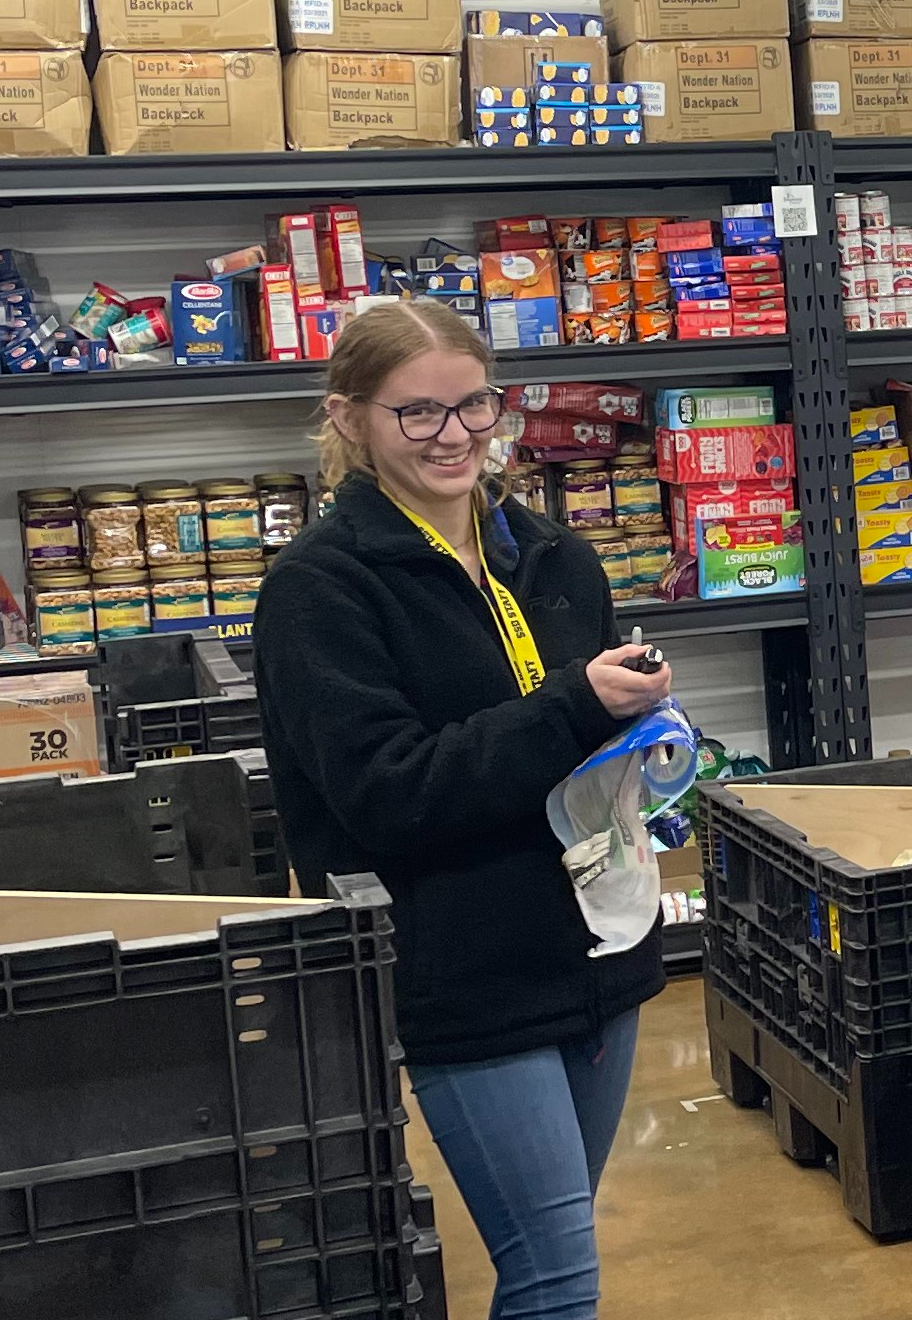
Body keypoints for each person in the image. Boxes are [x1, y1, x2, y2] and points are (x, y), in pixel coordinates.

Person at [253, 298, 671, 1320]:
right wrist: (573, 705)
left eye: (476, 405)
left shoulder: (558, 562)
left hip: (600, 950)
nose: (456, 438)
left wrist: (648, 741)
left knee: (559, 1253)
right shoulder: (321, 590)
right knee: (555, 1281)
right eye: (418, 415)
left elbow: (576, 745)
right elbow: (388, 795)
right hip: (463, 971)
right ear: (349, 419)